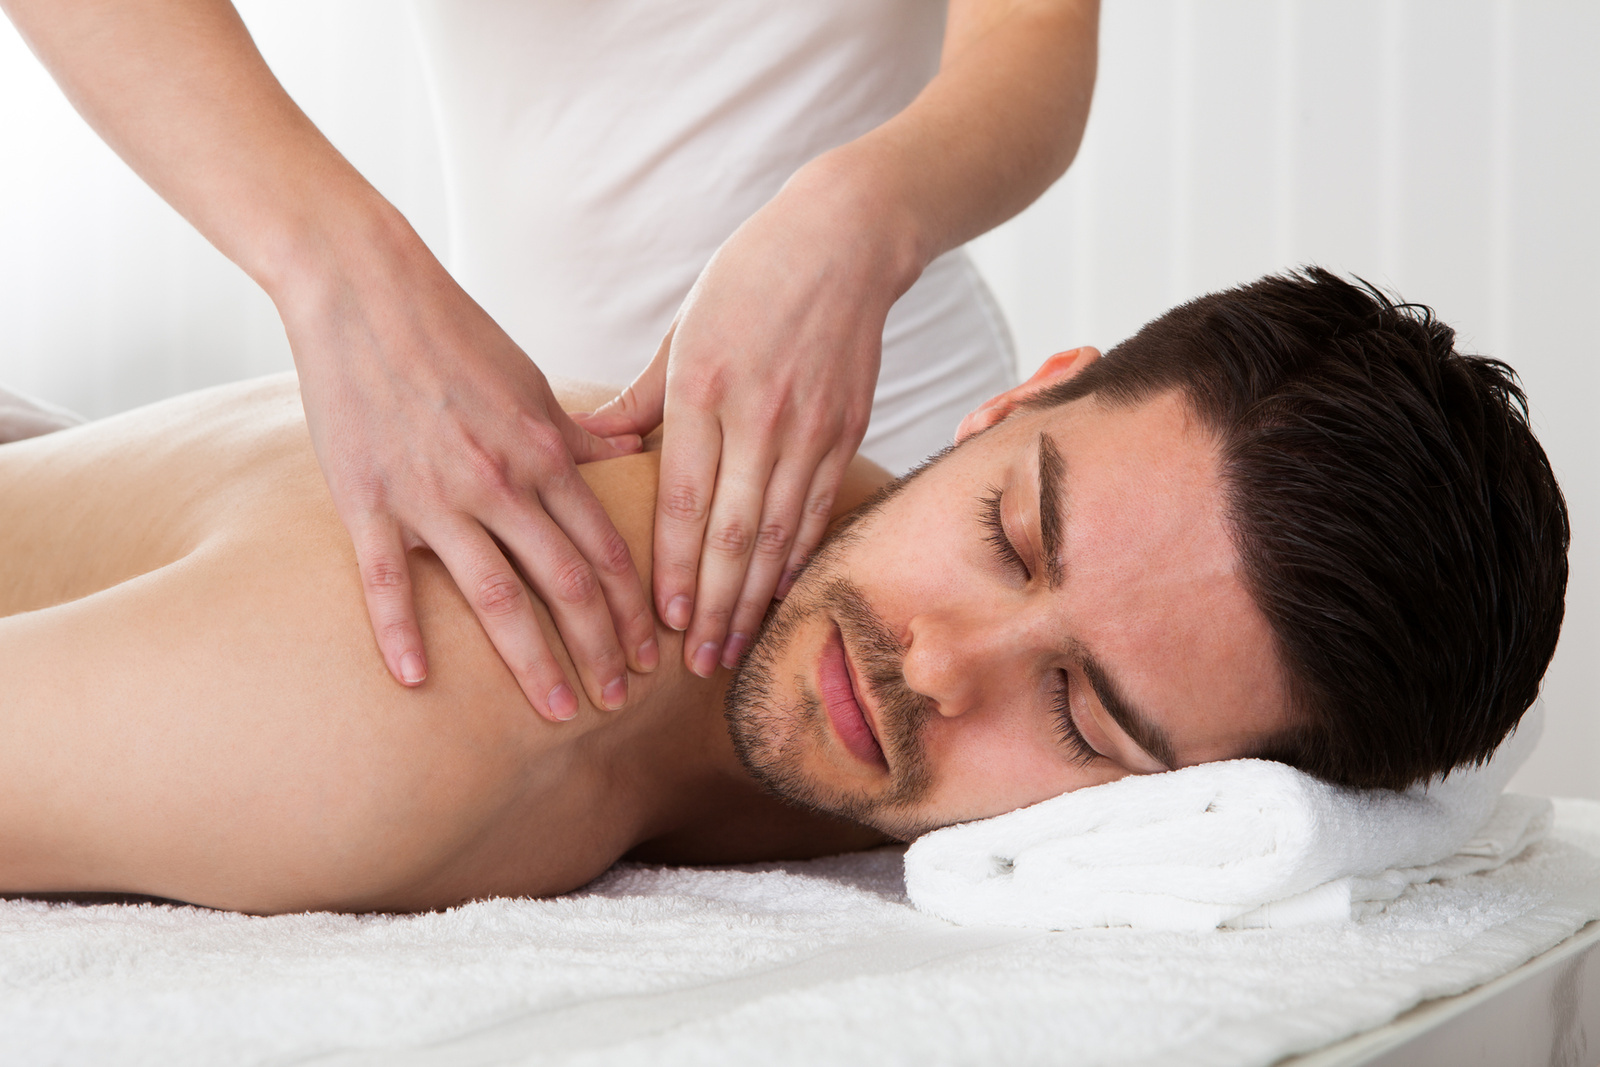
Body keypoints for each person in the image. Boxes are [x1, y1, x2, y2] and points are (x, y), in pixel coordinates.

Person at [0, 271, 1568, 914]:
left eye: (1084, 715)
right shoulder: (428, 689)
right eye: (1012, 537)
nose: (935, 662)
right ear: (1013, 400)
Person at [0, 0, 1100, 728]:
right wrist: (337, 274)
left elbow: (1031, 37)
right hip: (475, 446)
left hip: (876, 447)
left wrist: (857, 216)